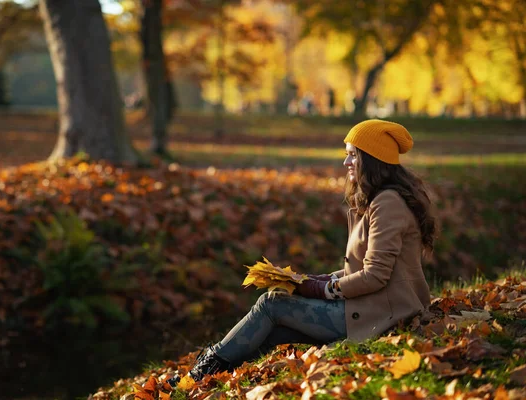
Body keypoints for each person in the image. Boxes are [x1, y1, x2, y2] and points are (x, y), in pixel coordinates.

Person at [167, 119, 436, 387]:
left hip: (381, 314)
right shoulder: (378, 201)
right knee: (274, 330)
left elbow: (375, 276)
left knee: (271, 303)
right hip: (368, 306)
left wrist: (322, 289)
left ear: (372, 159)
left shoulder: (387, 204)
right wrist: (313, 281)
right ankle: (207, 379)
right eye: (347, 155)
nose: (346, 163)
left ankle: (199, 375)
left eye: (353, 155)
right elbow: (361, 270)